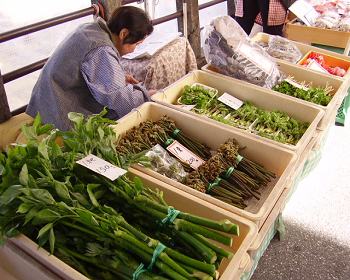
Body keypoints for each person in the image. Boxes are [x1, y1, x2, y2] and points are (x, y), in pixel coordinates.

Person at [26, 6, 154, 131]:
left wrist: (120, 77)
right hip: (57, 111)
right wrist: (146, 95)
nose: (134, 49)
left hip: (45, 100)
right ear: (123, 34)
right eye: (136, 44)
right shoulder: (100, 49)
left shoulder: (91, 29)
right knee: (123, 114)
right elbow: (120, 99)